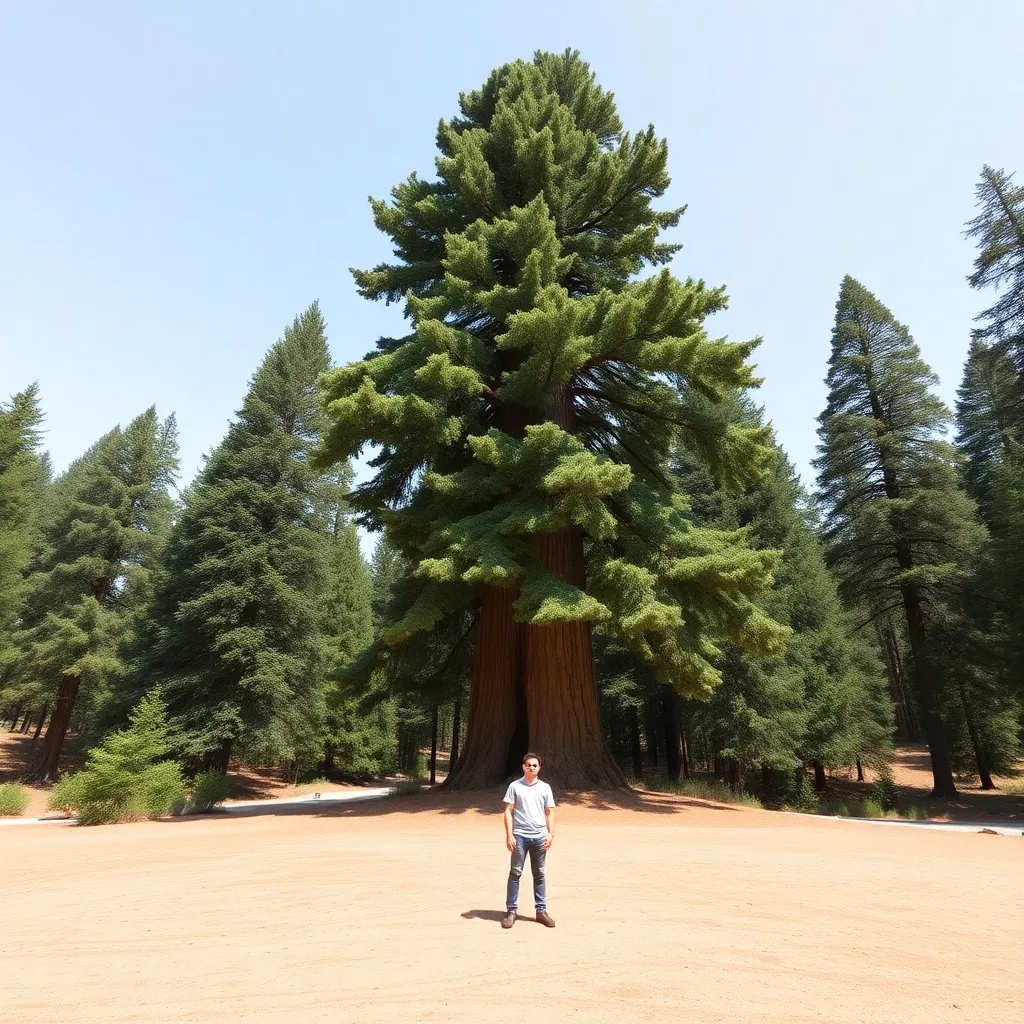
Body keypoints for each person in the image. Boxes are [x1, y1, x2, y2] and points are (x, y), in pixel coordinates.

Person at [501, 752, 556, 929]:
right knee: (515, 873)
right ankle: (511, 911)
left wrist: (551, 834)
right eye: (528, 765)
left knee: (539, 874)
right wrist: (509, 835)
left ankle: (541, 911)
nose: (531, 767)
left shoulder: (545, 788)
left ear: (539, 768)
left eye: (535, 765)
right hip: (520, 837)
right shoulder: (515, 786)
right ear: (523, 766)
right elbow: (508, 811)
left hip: (540, 837)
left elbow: (550, 812)